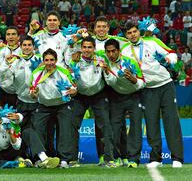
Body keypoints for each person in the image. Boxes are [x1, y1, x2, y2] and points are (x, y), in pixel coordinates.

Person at [121, 21, 184, 168]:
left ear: (139, 32)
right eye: (129, 33)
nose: (132, 35)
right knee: (151, 123)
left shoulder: (152, 42)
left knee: (171, 121)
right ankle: (156, 158)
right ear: (126, 35)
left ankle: (177, 158)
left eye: (134, 31)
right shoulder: (124, 51)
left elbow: (171, 53)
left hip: (165, 85)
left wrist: (170, 59)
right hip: (146, 89)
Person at [69, 37, 115, 167]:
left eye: (90, 47)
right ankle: (73, 158)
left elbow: (110, 77)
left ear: (94, 48)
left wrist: (106, 69)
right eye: (84, 47)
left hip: (98, 95)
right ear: (81, 48)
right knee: (73, 124)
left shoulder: (101, 59)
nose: (87, 50)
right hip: (80, 96)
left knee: (105, 125)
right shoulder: (75, 61)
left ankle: (108, 158)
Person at [29, 48, 77, 168]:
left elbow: (74, 90)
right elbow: (33, 93)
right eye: (46, 60)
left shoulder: (64, 72)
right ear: (43, 61)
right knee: (37, 129)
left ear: (56, 60)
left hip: (62, 105)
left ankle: (64, 159)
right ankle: (41, 158)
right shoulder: (36, 73)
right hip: (44, 106)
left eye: (52, 60)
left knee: (65, 131)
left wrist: (72, 92)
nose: (49, 62)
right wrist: (34, 94)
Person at [101, 39, 145, 167]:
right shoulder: (105, 63)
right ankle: (117, 157)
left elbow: (143, 82)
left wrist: (134, 80)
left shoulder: (130, 62)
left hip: (134, 96)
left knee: (136, 127)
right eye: (108, 52)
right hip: (116, 97)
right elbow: (110, 82)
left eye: (113, 51)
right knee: (115, 128)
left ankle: (134, 159)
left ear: (119, 51)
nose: (111, 54)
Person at [0, 26, 21, 107]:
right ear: (5, 37)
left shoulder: (23, 50)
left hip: (19, 92)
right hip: (3, 90)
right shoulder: (0, 50)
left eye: (13, 34)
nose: (11, 37)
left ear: (18, 37)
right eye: (8, 34)